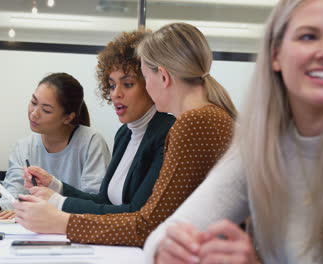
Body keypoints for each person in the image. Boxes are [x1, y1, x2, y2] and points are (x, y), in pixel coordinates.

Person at [145, 0, 323, 263]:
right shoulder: (261, 140)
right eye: (309, 36)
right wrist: (166, 253)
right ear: (275, 55)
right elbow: (163, 235)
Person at [13, 22, 236, 247]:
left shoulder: (194, 123)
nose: (117, 94)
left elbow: (147, 224)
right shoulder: (206, 118)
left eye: (142, 79)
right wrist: (57, 191)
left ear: (164, 77)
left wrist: (62, 221)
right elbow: (130, 211)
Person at [19, 30, 175, 215]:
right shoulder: (125, 133)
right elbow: (105, 202)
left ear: (150, 83)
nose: (116, 93)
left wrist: (57, 202)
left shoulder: (166, 133)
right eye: (111, 85)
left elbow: (136, 213)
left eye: (128, 84)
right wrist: (55, 186)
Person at [0, 73, 110, 219]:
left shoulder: (91, 142)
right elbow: (14, 194)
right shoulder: (24, 147)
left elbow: (96, 201)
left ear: (68, 117)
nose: (34, 114)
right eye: (33, 102)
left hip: (76, 228)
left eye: (46, 110)